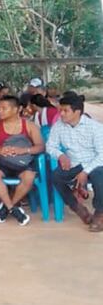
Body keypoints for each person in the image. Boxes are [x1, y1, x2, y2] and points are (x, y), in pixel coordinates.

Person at [0, 95, 44, 225]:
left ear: (17, 109)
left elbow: (40, 146)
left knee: (29, 177)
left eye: (4, 108)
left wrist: (24, 150)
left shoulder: (29, 126)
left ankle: (6, 207)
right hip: (2, 162)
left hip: (23, 162)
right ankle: (13, 208)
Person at [46, 94, 103, 231]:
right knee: (56, 176)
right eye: (60, 110)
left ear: (77, 112)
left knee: (99, 178)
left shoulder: (95, 127)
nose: (61, 114)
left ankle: (100, 213)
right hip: (74, 163)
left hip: (94, 164)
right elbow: (50, 146)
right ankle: (77, 207)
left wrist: (85, 172)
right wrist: (61, 155)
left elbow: (102, 154)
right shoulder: (59, 125)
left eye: (65, 111)